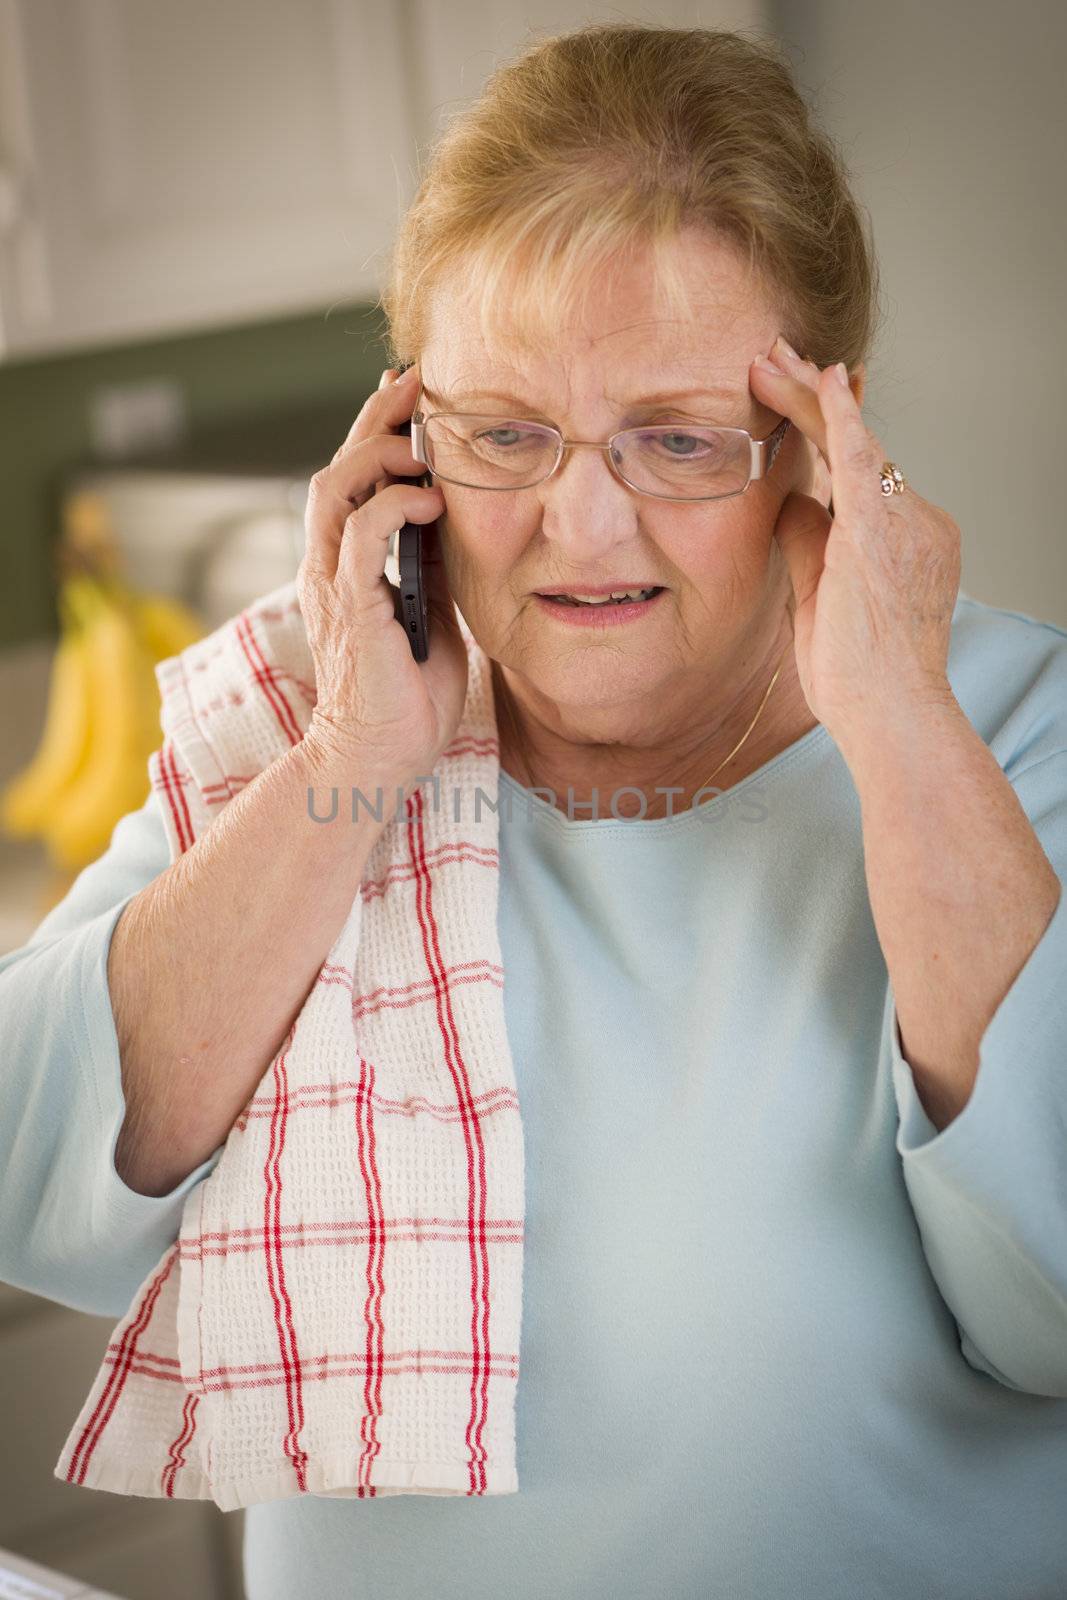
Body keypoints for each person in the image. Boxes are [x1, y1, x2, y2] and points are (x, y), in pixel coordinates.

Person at [3, 21, 1066, 1600]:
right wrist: (357, 761)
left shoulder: (1006, 731)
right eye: (506, 433)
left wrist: (897, 722)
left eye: (678, 440)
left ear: (827, 443)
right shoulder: (318, 712)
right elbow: (39, 1197)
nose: (578, 525)